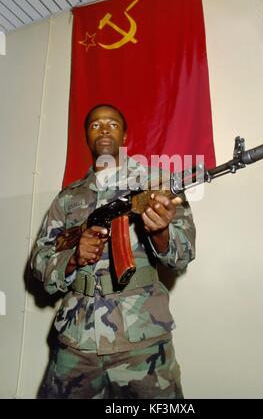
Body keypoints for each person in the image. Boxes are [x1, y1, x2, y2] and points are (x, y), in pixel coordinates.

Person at [31, 104, 196, 399]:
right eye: (95, 125)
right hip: (76, 340)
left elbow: (183, 255)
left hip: (142, 341)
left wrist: (160, 233)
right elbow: (40, 259)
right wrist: (73, 260)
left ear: (124, 136)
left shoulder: (158, 183)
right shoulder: (69, 197)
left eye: (112, 124)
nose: (104, 129)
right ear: (86, 137)